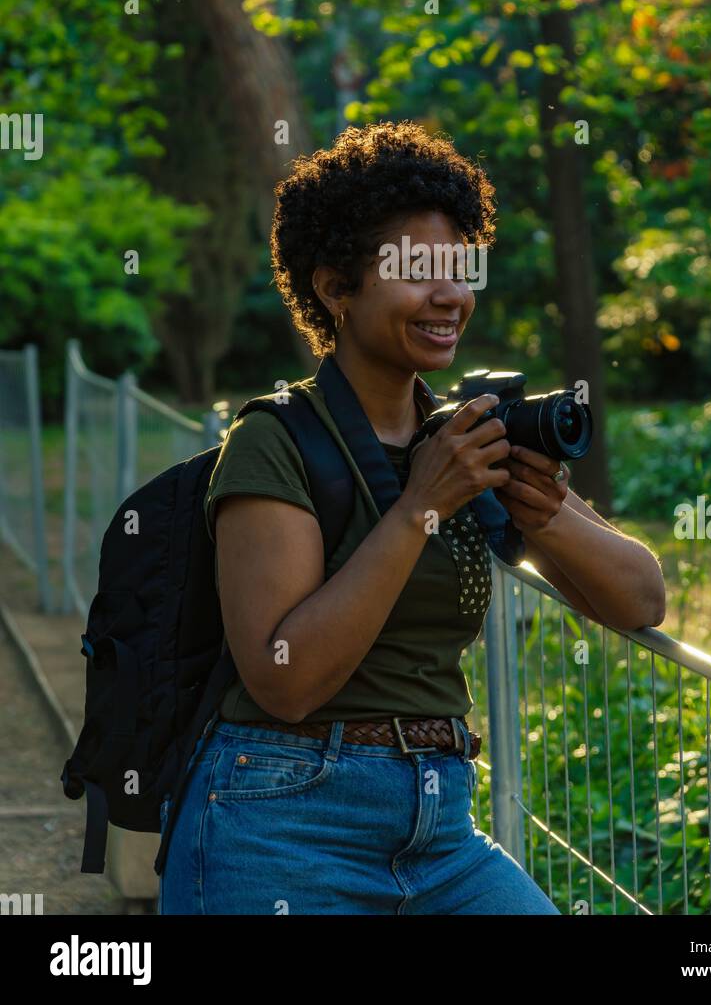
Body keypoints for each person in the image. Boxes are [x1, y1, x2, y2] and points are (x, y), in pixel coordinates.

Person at [158, 120, 665, 914]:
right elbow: (285, 680)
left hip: (439, 828)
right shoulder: (275, 442)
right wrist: (421, 505)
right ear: (335, 287)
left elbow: (641, 600)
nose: (451, 296)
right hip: (281, 818)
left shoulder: (459, 439)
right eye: (416, 271)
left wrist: (545, 509)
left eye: (461, 271)